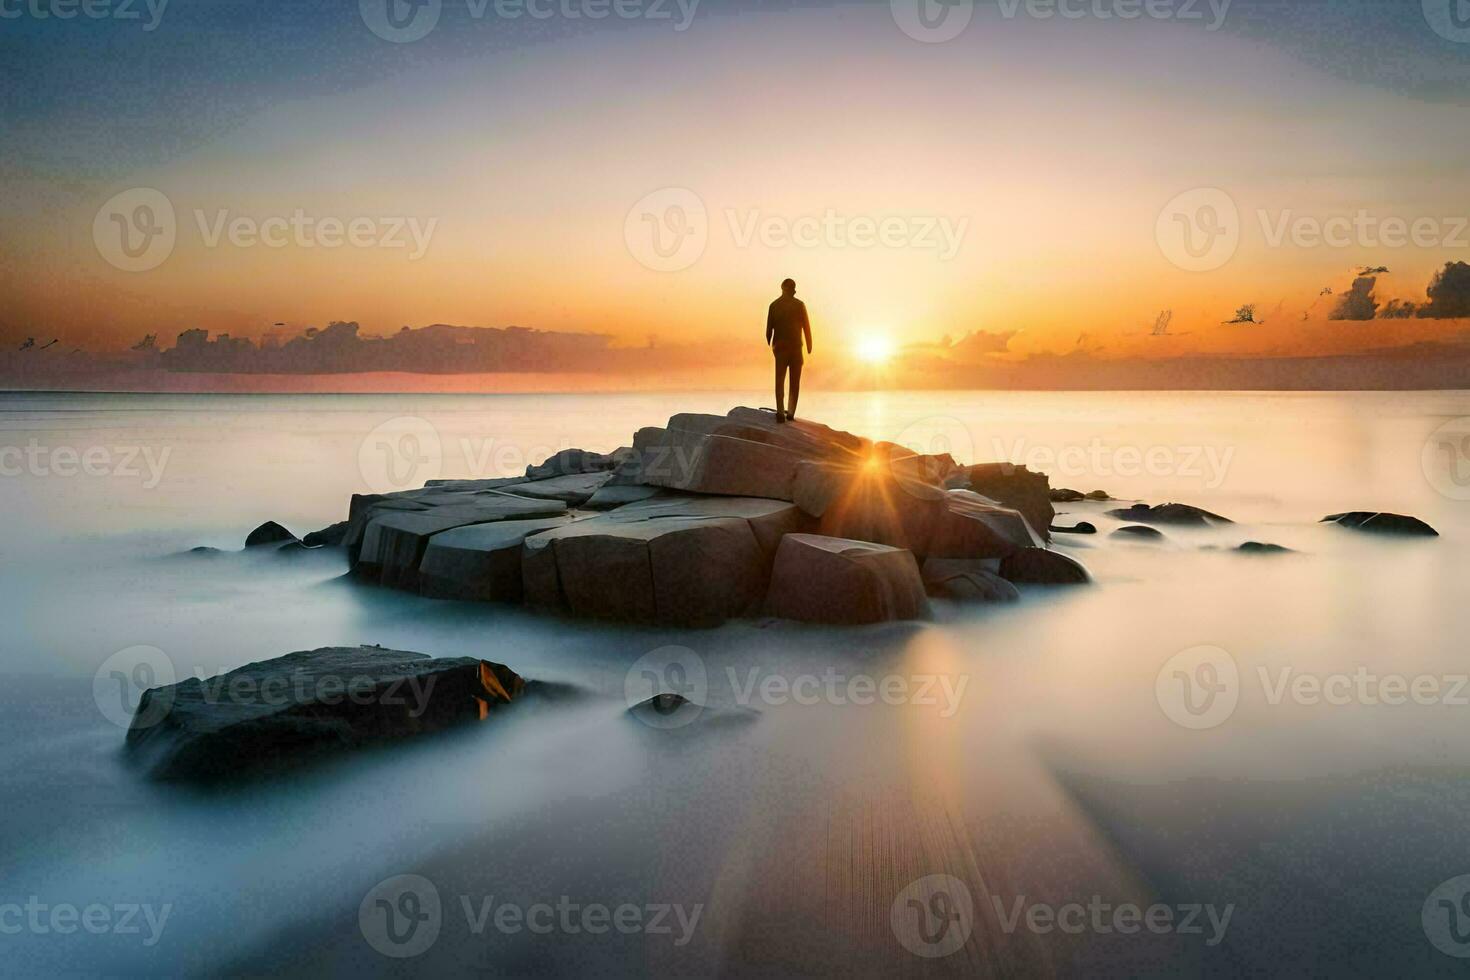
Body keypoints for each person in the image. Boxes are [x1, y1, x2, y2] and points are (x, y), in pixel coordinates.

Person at [765, 278, 812, 423]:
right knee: (794, 381)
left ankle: (780, 411)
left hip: (780, 348)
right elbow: (807, 327)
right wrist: (809, 345)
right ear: (791, 289)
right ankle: (790, 412)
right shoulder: (799, 305)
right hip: (795, 348)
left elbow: (768, 330)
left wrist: (771, 344)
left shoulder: (774, 305)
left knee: (780, 380)